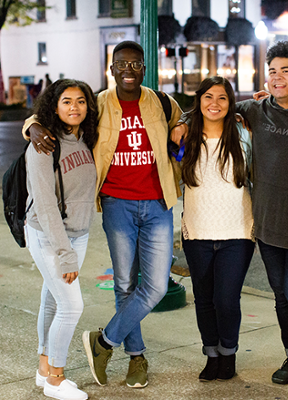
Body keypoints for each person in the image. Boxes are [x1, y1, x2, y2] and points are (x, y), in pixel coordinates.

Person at [24, 40, 183, 389]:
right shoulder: (98, 102)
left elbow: (194, 113)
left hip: (158, 203)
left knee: (155, 286)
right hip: (116, 203)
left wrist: (183, 126)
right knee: (125, 285)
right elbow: (60, 109)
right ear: (111, 70)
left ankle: (104, 341)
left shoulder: (160, 101)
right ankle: (136, 357)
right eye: (121, 64)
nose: (129, 70)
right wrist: (31, 126)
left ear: (144, 68)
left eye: (136, 64)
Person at [171, 41, 288, 391]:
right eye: (272, 71)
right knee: (281, 297)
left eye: (286, 70)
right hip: (268, 226)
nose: (277, 77)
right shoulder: (256, 111)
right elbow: (208, 107)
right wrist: (182, 121)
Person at [26, 79, 98, 400]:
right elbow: (44, 205)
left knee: (54, 300)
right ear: (54, 106)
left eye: (80, 101)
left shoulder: (85, 138)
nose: (74, 107)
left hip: (78, 233)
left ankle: (44, 369)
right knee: (72, 306)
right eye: (66, 101)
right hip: (49, 234)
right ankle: (56, 378)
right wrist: (65, 253)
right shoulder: (43, 145)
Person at [180, 76, 254, 381]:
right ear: (198, 100)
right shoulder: (184, 136)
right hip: (196, 231)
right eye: (208, 97)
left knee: (226, 299)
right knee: (204, 298)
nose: (214, 103)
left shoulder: (244, 134)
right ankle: (211, 353)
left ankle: (229, 353)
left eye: (222, 98)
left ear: (231, 103)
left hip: (237, 231)